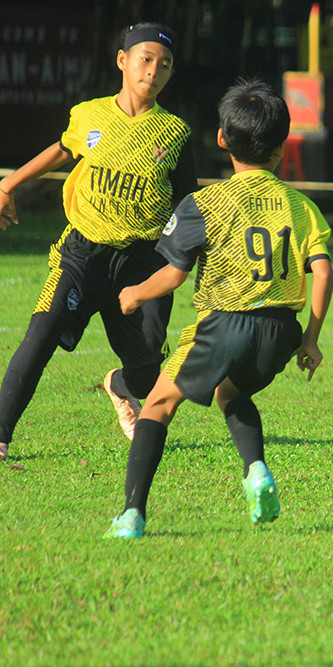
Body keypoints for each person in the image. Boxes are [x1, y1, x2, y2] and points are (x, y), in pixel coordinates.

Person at [104, 79, 333, 539]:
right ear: (280, 146)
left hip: (225, 324)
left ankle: (132, 515)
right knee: (232, 393)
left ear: (223, 139)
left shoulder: (203, 204)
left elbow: (173, 275)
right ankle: (256, 470)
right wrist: (310, 339)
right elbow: (323, 273)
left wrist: (133, 294)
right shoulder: (301, 206)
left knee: (156, 406)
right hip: (281, 331)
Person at [0, 23, 197, 461]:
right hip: (82, 255)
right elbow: (61, 149)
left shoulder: (176, 132)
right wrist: (8, 184)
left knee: (149, 376)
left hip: (143, 264)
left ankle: (119, 385)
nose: (153, 71)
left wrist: (192, 252)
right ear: (123, 61)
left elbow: (188, 203)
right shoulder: (89, 115)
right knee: (41, 333)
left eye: (164, 65)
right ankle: (1, 434)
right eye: (145, 59)